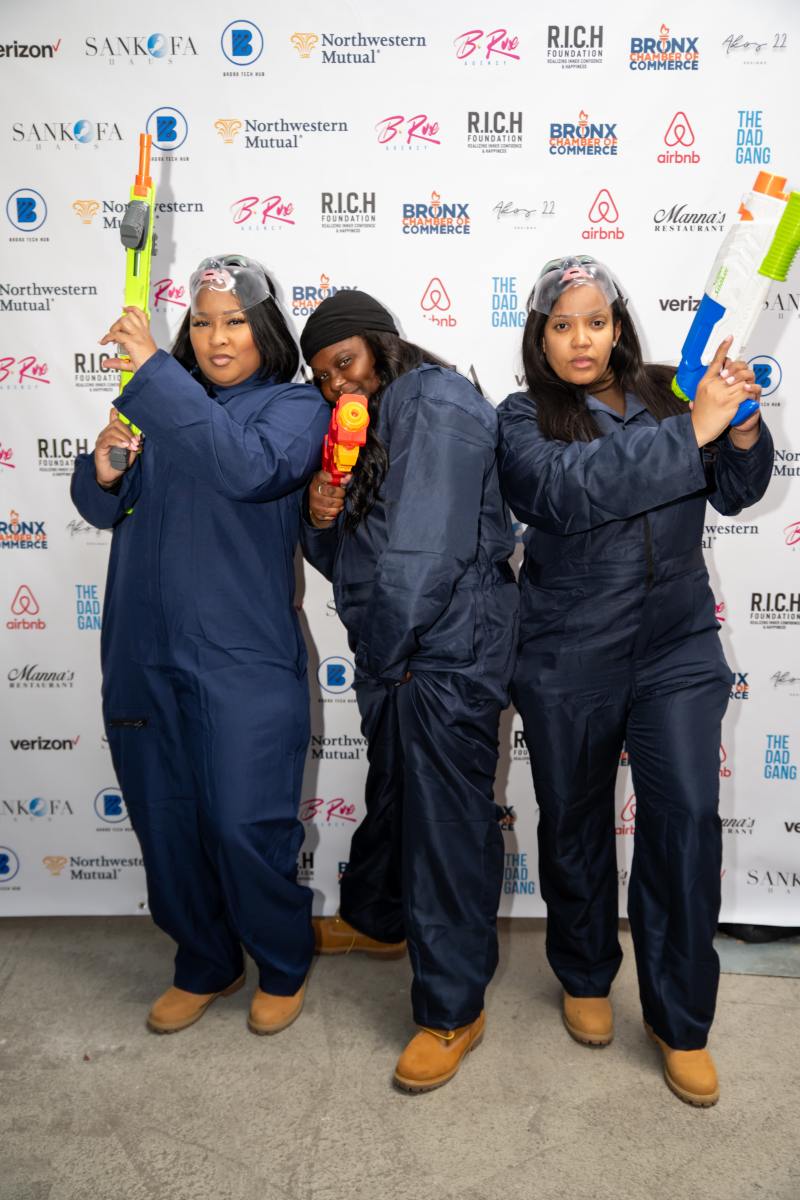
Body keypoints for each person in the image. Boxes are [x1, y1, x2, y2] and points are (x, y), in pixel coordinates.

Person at [496, 256, 773, 1107]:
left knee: (685, 822)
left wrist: (740, 429)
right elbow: (566, 491)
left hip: (675, 647)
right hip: (567, 651)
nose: (581, 340)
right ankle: (584, 971)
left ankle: (680, 1019)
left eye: (595, 321)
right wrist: (695, 430)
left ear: (618, 327)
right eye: (562, 325)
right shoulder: (521, 417)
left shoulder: (670, 391)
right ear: (540, 337)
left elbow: (736, 491)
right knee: (574, 820)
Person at [71, 255, 330, 1036]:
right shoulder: (160, 404)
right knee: (165, 820)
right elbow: (101, 508)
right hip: (142, 647)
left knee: (247, 824)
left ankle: (281, 960)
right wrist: (105, 471)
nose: (218, 337)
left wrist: (153, 372)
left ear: (265, 330)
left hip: (240, 652)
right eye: (205, 322)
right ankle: (205, 961)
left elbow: (247, 467)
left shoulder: (294, 407)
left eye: (236, 321)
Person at [299, 290, 518, 1092]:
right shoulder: (371, 423)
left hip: (446, 653)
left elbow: (425, 556)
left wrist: (387, 654)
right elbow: (351, 561)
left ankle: (453, 1009)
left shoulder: (434, 401)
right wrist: (321, 517)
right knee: (394, 794)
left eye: (345, 362)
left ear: (381, 344)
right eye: (323, 376)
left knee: (446, 828)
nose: (337, 384)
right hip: (398, 651)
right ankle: (378, 921)